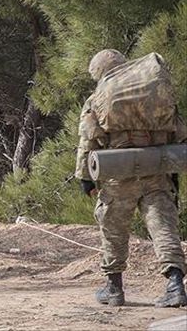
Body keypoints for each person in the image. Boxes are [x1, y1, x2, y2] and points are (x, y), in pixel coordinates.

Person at [76, 49, 187, 307]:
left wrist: (85, 178)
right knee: (163, 227)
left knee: (113, 229)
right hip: (156, 169)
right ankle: (175, 285)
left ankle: (114, 287)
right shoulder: (157, 93)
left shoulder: (98, 97)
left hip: (118, 172)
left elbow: (87, 141)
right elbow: (179, 132)